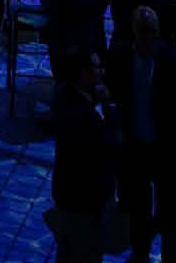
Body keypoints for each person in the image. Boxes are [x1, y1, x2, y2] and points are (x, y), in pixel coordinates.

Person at [108, 5, 176, 263]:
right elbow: (113, 92)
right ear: (135, 32)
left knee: (169, 211)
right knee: (139, 210)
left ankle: (168, 256)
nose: (151, 37)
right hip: (134, 143)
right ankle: (140, 253)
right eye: (146, 32)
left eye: (154, 31)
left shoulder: (171, 58)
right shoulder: (119, 55)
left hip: (163, 144)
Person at [51, 48, 118, 263]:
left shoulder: (65, 96)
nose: (102, 72)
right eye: (97, 68)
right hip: (83, 198)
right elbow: (106, 145)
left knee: (68, 251)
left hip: (69, 192)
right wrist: (109, 110)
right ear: (84, 73)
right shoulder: (82, 116)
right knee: (84, 252)